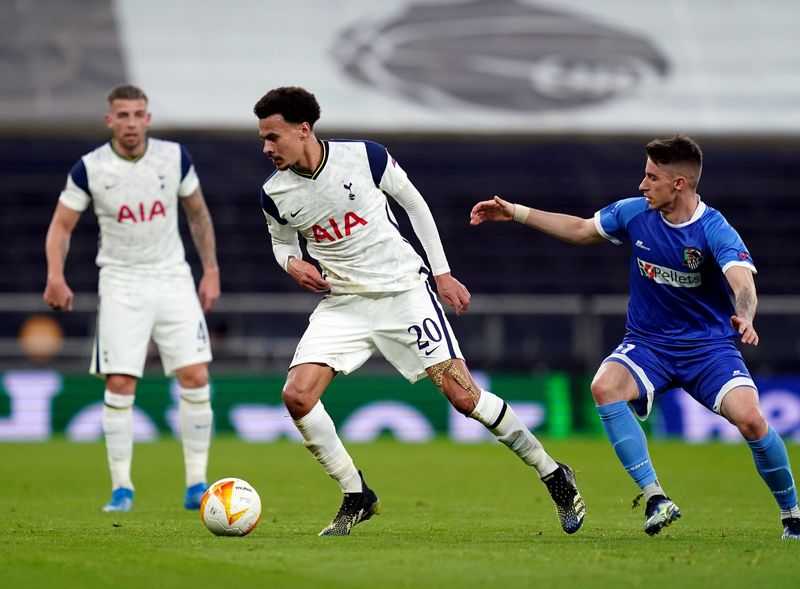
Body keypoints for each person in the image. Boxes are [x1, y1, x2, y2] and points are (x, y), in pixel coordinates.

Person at [253, 86, 585, 536]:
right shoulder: (275, 193)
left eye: (274, 137)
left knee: (464, 397)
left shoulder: (365, 157)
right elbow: (281, 242)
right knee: (297, 395)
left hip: (403, 293)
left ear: (304, 129)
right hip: (344, 302)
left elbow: (414, 203)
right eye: (263, 139)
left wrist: (442, 274)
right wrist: (292, 264)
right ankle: (356, 494)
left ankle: (553, 473)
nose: (267, 148)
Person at [470, 134, 800, 539]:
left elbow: (742, 283)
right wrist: (516, 212)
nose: (642, 185)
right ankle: (655, 497)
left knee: (751, 420)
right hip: (649, 344)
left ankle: (793, 515)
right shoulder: (634, 213)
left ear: (678, 184)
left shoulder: (715, 229)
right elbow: (579, 229)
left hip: (708, 348)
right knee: (604, 387)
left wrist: (745, 317)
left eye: (651, 177)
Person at [43, 84, 220, 513]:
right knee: (121, 382)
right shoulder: (90, 168)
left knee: (195, 376)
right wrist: (55, 275)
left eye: (138, 114)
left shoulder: (174, 157)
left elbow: (197, 212)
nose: (131, 123)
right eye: (122, 115)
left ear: (148, 118)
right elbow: (61, 227)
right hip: (121, 282)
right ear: (110, 121)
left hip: (173, 277)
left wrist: (210, 269)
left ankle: (196, 483)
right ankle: (122, 488)